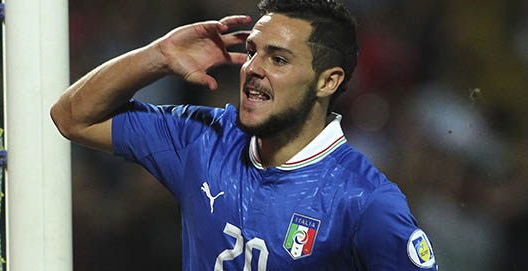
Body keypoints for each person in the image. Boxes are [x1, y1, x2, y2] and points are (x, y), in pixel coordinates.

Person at [51, 0, 438, 270]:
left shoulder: (364, 201)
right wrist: (159, 56)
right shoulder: (202, 139)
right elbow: (72, 117)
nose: (253, 68)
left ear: (327, 81)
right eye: (252, 51)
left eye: (278, 59)